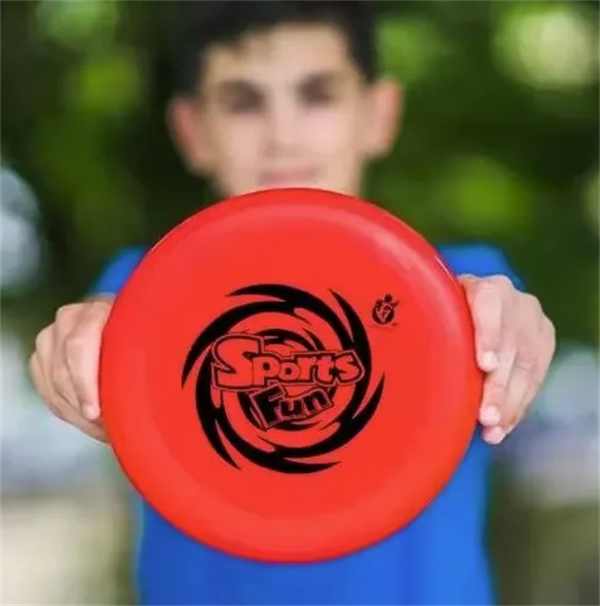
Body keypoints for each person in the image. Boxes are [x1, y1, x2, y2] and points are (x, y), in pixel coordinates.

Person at [28, 2, 556, 604]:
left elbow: (511, 328)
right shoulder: (143, 288)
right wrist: (71, 349)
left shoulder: (459, 289)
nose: (283, 135)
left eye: (318, 95)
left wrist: (515, 337)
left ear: (379, 115)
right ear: (192, 131)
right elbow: (100, 328)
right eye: (243, 102)